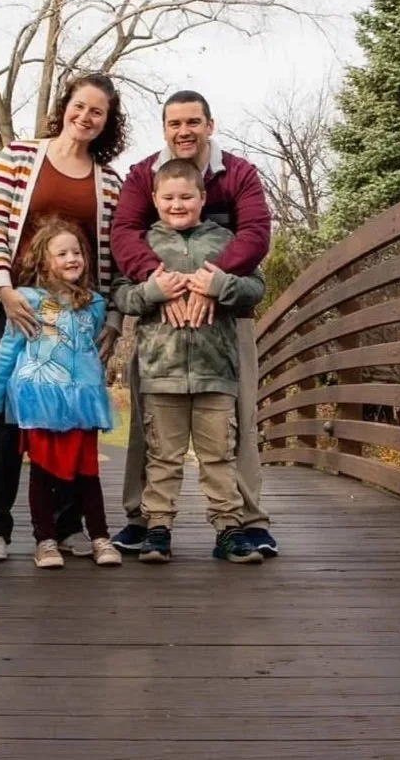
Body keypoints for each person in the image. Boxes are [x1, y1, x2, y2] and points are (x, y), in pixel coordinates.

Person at [108, 90, 277, 557]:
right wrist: (160, 287)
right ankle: (145, 520)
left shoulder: (238, 173)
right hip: (161, 329)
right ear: (164, 128)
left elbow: (256, 233)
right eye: (174, 123)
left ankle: (244, 522)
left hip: (222, 322)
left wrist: (209, 283)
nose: (184, 131)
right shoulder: (144, 175)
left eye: (193, 122)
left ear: (210, 124)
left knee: (233, 426)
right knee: (153, 432)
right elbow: (123, 234)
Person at [0, 74, 126, 562]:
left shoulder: (109, 182)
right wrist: (4, 288)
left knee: (71, 417)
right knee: (10, 419)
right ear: (65, 107)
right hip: (20, 308)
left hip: (77, 315)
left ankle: (66, 528)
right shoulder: (19, 157)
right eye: (80, 106)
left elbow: (116, 260)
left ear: (107, 123)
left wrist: (114, 318)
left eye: (97, 112)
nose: (86, 117)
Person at [0, 220, 122, 569]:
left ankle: (98, 534)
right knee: (43, 470)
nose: (72, 258)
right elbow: (8, 352)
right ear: (44, 262)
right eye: (62, 253)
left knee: (86, 469)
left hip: (81, 399)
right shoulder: (27, 300)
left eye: (77, 252)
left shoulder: (94, 304)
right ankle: (44, 539)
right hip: (40, 398)